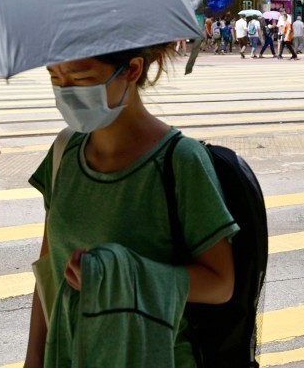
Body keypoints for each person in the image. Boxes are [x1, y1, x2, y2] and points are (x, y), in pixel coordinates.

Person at [24, 45, 237, 367]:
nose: (65, 92)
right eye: (55, 77)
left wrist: (117, 276)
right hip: (68, 355)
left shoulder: (180, 162)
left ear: (132, 70)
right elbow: (48, 268)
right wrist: (34, 359)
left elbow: (221, 284)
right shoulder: (63, 153)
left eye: (81, 77)